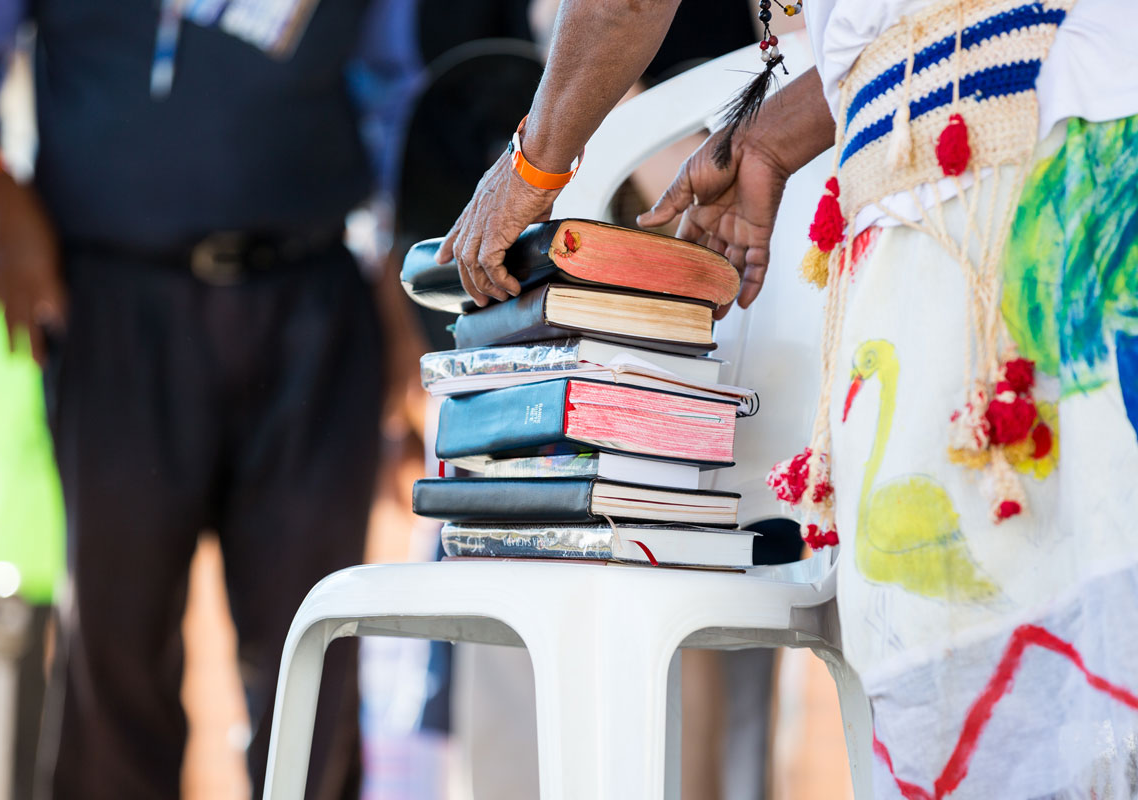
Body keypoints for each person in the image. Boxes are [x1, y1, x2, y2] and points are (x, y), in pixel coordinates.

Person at [440, 0, 1138, 796]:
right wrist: (770, 137)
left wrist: (533, 165)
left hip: (1011, 193)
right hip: (1045, 161)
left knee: (1014, 707)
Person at [0, 1, 384, 797]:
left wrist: (408, 264)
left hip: (314, 292)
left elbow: (406, 76)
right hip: (112, 294)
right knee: (114, 650)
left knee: (318, 645)